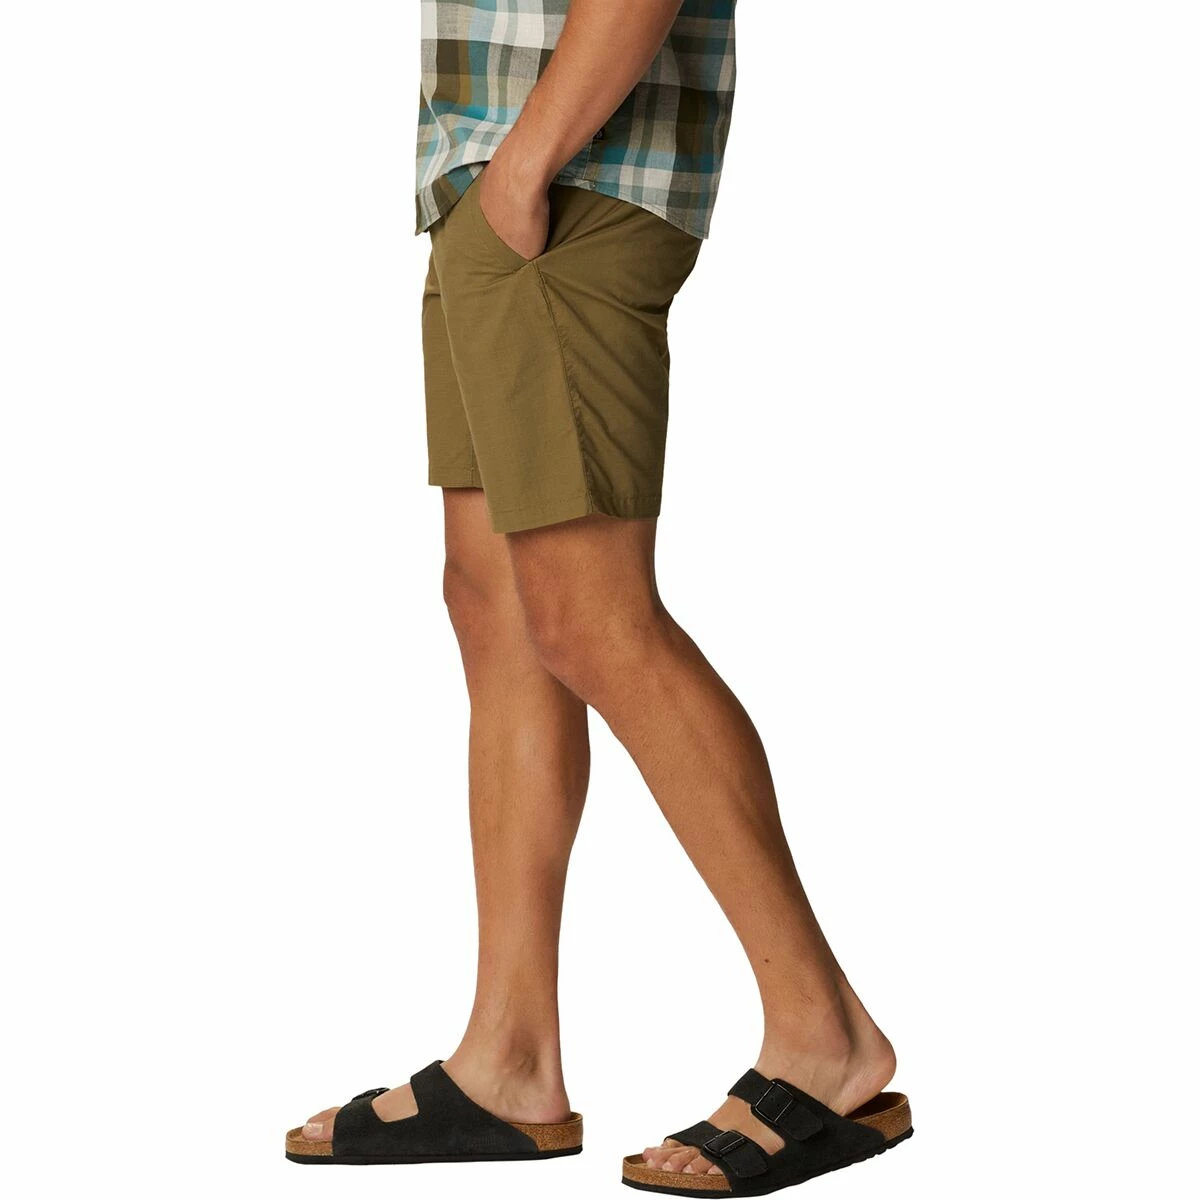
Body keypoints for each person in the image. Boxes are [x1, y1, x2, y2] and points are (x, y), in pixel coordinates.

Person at [285, 2, 911, 1192]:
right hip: (494, 175)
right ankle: (507, 1060)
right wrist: (496, 182)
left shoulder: (545, 173)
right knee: (499, 607)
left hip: (570, 172)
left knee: (591, 616)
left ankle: (824, 1033)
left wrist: (528, 164)